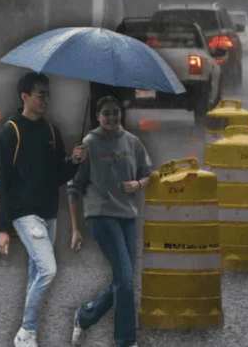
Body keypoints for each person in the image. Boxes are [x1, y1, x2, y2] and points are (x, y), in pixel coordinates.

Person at [0, 72, 87, 347]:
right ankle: (27, 332)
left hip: (48, 213)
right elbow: (1, 182)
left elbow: (58, 175)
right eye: (40, 94)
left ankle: (28, 333)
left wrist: (75, 161)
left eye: (48, 94)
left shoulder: (51, 131)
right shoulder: (11, 132)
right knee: (48, 269)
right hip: (24, 214)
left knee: (37, 272)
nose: (46, 99)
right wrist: (2, 228)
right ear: (25, 97)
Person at [67, 95, 152, 347]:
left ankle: (85, 315)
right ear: (97, 116)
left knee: (122, 279)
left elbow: (146, 172)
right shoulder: (89, 143)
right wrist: (75, 228)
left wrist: (137, 184)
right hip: (100, 214)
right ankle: (125, 341)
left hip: (127, 215)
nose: (112, 118)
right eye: (106, 113)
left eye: (115, 112)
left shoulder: (132, 142)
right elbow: (74, 186)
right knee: (124, 279)